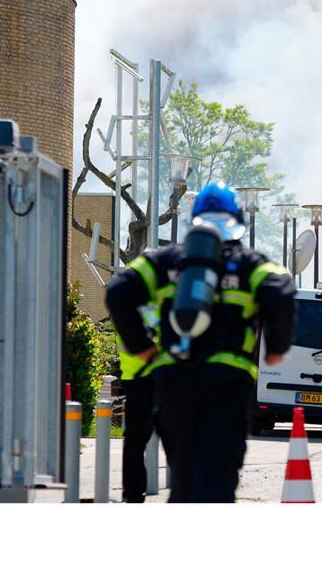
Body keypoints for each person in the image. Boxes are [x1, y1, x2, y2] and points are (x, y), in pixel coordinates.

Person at [104, 181, 296, 503]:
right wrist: (276, 347)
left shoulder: (165, 261)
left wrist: (141, 345)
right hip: (227, 384)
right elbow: (282, 292)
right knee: (217, 476)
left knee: (184, 475)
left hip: (172, 383)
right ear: (237, 220)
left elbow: (117, 290)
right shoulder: (251, 264)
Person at [114, 299, 160, 503]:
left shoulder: (124, 305)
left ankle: (133, 494)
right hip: (157, 378)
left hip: (136, 379)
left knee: (134, 441)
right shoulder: (154, 304)